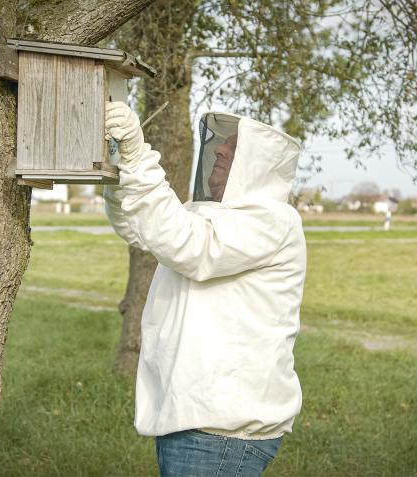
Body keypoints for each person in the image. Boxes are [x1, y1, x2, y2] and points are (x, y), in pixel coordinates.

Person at [103, 102, 306, 477]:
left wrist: (137, 155)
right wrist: (117, 172)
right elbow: (144, 228)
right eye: (222, 145)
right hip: (195, 418)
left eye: (234, 147)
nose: (222, 150)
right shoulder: (208, 216)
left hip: (223, 429)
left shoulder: (273, 221)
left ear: (258, 166)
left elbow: (189, 246)